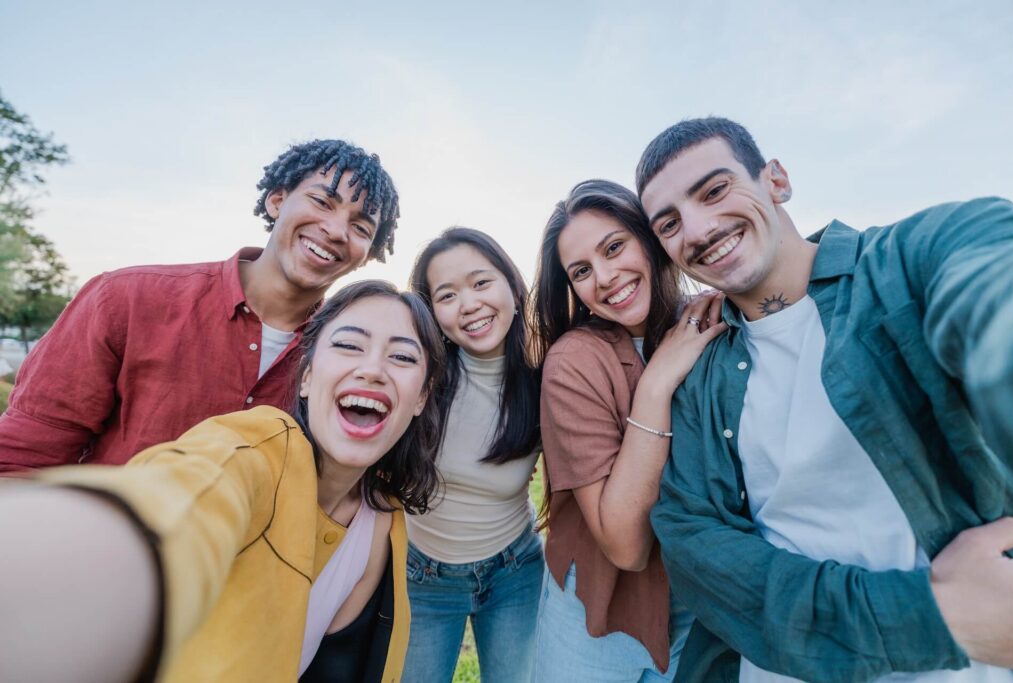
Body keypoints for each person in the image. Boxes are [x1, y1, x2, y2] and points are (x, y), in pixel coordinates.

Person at [637, 116, 1013, 682]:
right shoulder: (703, 374)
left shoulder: (904, 263)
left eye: (715, 190)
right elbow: (696, 547)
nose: (695, 230)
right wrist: (925, 617)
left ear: (777, 181)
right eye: (669, 223)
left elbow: (996, 292)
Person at [0, 280, 444, 683]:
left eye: (403, 357)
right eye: (349, 345)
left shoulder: (385, 516)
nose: (373, 369)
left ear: (422, 396)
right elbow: (184, 496)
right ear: (307, 378)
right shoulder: (256, 449)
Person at [0, 139, 400, 471]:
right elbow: (22, 459)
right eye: (322, 202)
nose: (335, 231)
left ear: (368, 253)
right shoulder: (126, 297)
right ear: (277, 201)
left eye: (360, 226)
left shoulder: (350, 356)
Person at [529, 179, 725, 682]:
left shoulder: (713, 320)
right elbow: (627, 545)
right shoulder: (573, 361)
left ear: (647, 236)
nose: (606, 277)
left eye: (614, 247)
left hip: (701, 608)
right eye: (581, 271)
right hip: (597, 617)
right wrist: (657, 382)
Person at [403, 227, 543, 682]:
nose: (469, 304)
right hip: (423, 577)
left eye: (481, 283)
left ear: (512, 287)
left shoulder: (549, 373)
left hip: (515, 572)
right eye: (447, 295)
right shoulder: (419, 379)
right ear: (431, 313)